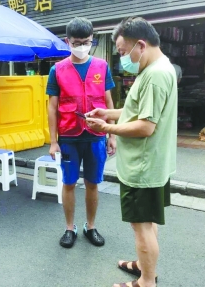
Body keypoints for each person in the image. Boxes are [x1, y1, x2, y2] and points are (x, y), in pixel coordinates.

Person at [85, 16, 177, 287]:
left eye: (123, 52)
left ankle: (146, 281)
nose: (122, 57)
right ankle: (143, 265)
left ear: (140, 45)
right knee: (147, 222)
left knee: (141, 226)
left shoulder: (155, 75)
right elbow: (137, 112)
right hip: (152, 163)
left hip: (143, 166)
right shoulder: (158, 67)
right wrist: (108, 113)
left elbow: (145, 126)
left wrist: (106, 128)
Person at [46, 17, 116, 249]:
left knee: (93, 183)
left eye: (86, 41)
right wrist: (53, 142)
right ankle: (69, 228)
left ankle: (91, 226)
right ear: (68, 42)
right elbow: (52, 107)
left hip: (96, 135)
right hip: (69, 136)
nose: (82, 46)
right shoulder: (57, 70)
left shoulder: (102, 66)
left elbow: (108, 101)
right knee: (68, 183)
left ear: (92, 40)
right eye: (77, 42)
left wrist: (112, 134)